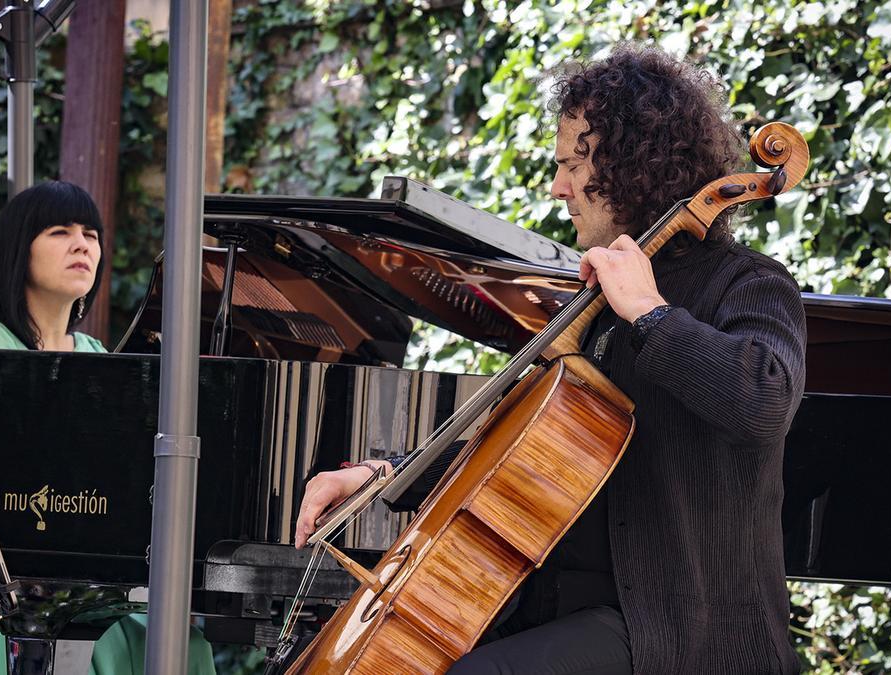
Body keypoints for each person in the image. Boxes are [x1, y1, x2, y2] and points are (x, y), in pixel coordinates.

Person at [294, 44, 806, 674]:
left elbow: (765, 403)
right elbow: (517, 450)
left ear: (634, 164)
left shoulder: (747, 283)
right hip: (567, 613)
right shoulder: (595, 301)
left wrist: (649, 310)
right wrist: (382, 475)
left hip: (677, 629)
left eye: (572, 165)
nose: (559, 187)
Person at [0, 181, 216, 675]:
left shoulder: (94, 355)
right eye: (60, 231)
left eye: (90, 233)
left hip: (76, 579)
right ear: (19, 249)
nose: (82, 243)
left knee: (179, 643)